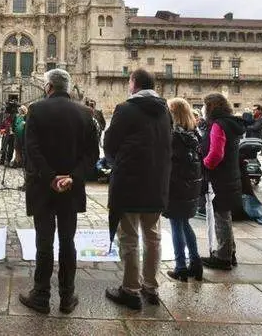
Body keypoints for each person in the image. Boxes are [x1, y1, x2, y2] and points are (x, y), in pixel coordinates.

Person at [19, 69, 98, 315]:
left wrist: (50, 177)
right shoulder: (85, 113)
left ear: (48, 87)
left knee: (44, 242)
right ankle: (66, 296)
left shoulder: (36, 110)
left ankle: (41, 295)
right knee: (67, 241)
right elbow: (92, 155)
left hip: (43, 187)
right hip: (70, 189)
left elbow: (31, 149)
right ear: (67, 87)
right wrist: (72, 178)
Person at [103, 69, 172, 308]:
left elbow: (109, 144)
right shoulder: (165, 111)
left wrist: (117, 163)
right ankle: (151, 288)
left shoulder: (125, 109)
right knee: (153, 236)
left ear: (134, 84)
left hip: (130, 184)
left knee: (130, 237)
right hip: (157, 183)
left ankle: (130, 290)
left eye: (129, 81)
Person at [200, 93, 246, 270]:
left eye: (204, 106)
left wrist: (205, 163)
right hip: (230, 175)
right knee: (225, 215)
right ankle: (229, 252)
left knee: (221, 217)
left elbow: (216, 154)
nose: (203, 110)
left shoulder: (218, 125)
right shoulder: (231, 123)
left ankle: (223, 256)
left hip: (219, 177)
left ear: (211, 107)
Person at [164, 97, 203, 283]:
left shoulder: (174, 136)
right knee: (185, 224)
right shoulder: (194, 133)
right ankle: (196, 263)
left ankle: (180, 267)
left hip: (176, 186)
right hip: (191, 186)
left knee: (176, 225)